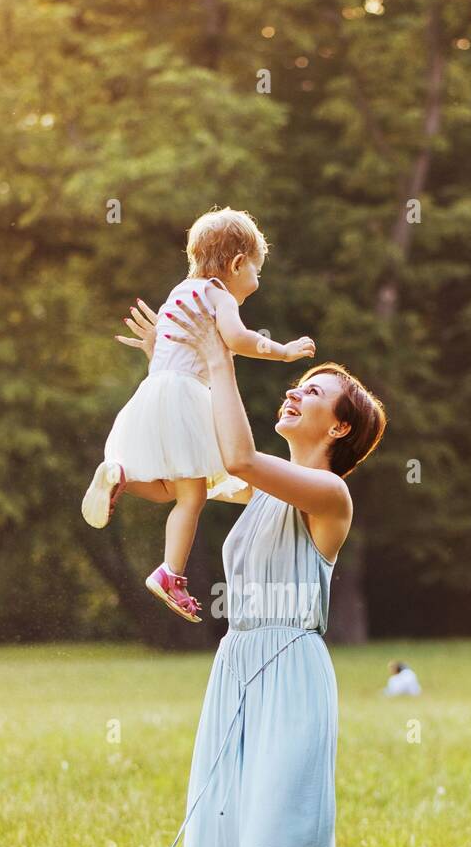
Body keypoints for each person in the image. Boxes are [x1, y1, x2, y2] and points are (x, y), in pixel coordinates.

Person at [127, 292, 388, 847]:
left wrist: (219, 355)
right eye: (297, 383)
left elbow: (238, 458)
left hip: (292, 679)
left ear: (337, 428)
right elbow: (178, 477)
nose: (294, 389)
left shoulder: (328, 496)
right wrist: (168, 377)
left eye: (313, 390)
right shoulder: (257, 491)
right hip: (233, 674)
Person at [81, 207, 315, 623]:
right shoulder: (217, 294)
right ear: (238, 263)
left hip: (153, 393)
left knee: (171, 489)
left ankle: (122, 477)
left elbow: (173, 354)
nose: (256, 283)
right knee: (193, 496)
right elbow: (238, 338)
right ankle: (170, 573)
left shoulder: (178, 292)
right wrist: (283, 351)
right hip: (186, 398)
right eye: (257, 272)